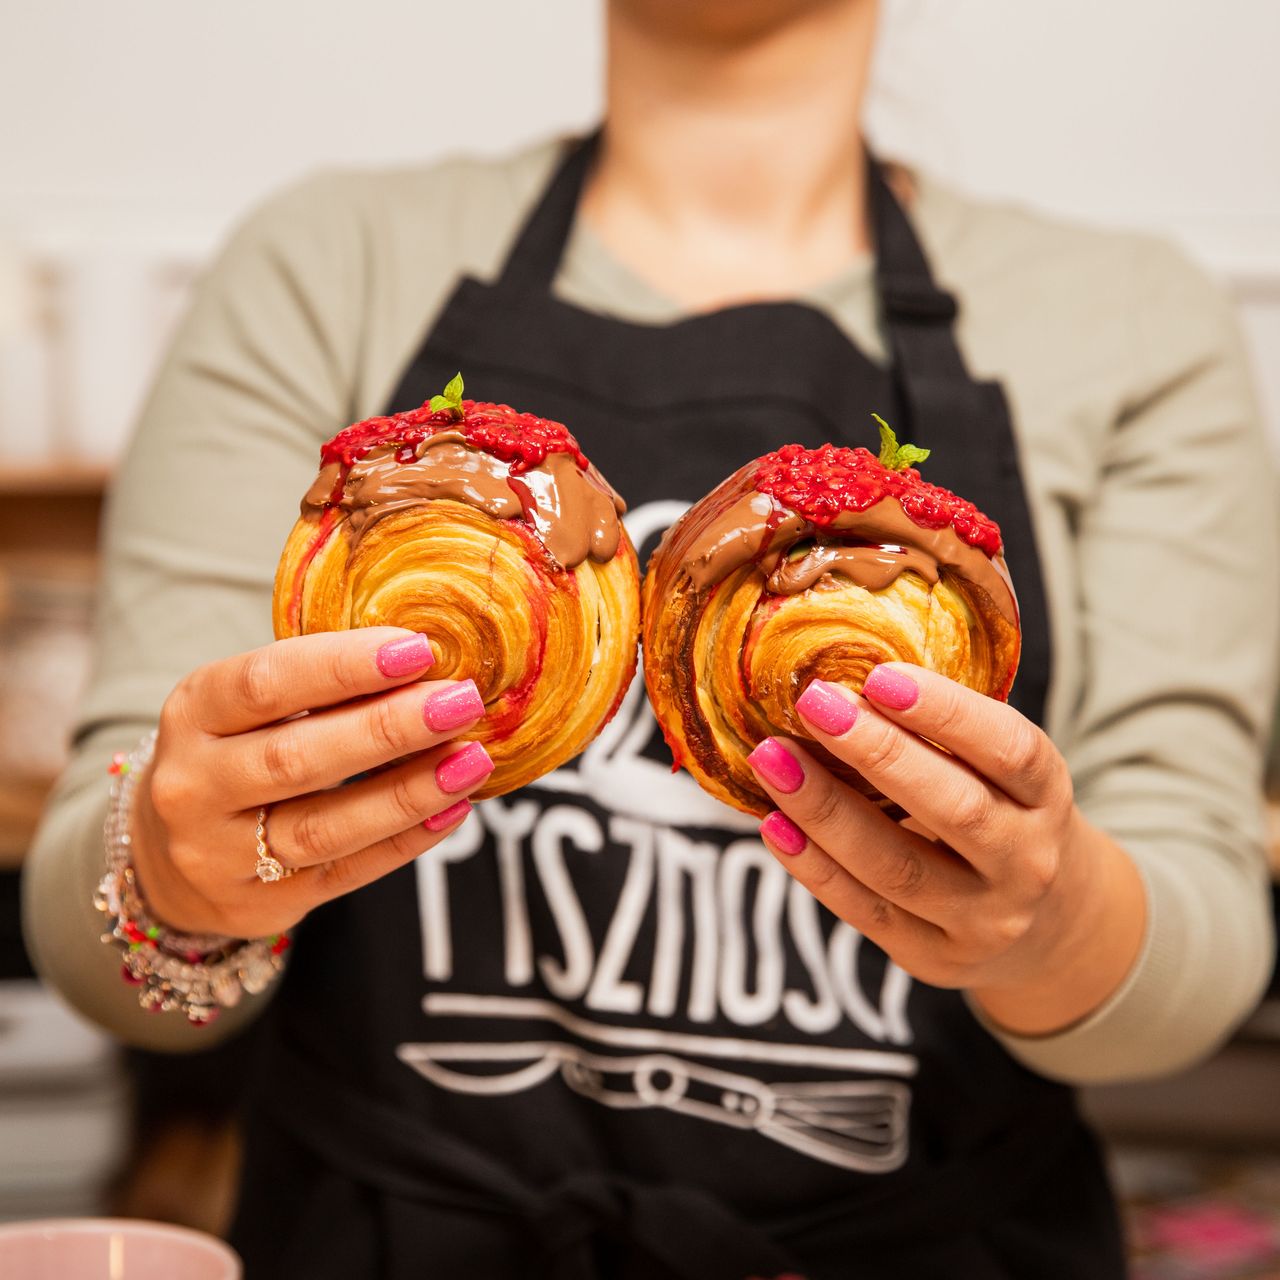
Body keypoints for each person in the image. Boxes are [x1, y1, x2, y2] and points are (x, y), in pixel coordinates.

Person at [23, 1, 1279, 1276]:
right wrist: (175, 880)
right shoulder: (322, 261)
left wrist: (1049, 915)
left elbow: (1202, 935)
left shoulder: (1128, 323)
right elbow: (93, 924)